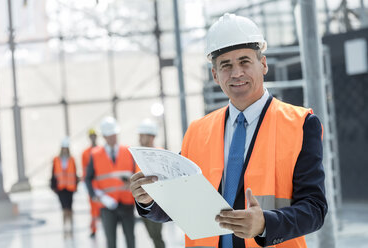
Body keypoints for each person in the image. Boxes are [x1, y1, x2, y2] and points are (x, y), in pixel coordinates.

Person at [130, 13, 327, 248]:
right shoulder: (197, 132)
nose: (236, 73)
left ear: (263, 64)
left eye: (245, 61)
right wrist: (149, 200)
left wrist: (265, 223)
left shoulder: (300, 124)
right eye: (226, 66)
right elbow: (178, 206)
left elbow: (315, 209)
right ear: (215, 75)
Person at [85, 116, 136, 248]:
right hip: (107, 205)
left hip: (127, 203)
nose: (113, 137)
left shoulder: (128, 151)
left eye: (114, 134)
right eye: (109, 135)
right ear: (104, 136)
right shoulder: (95, 154)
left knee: (131, 239)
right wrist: (96, 196)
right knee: (110, 241)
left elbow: (135, 173)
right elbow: (88, 178)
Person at [137, 119, 165, 248]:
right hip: (143, 202)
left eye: (142, 135)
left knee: (156, 236)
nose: (140, 138)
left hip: (156, 203)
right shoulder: (139, 154)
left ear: (151, 136)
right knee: (152, 236)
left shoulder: (159, 154)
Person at [50, 137, 78, 238]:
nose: (65, 150)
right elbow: (53, 173)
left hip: (70, 188)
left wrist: (76, 186)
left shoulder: (72, 159)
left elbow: (74, 173)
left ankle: (70, 226)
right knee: (64, 208)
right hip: (61, 188)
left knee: (69, 208)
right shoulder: (56, 159)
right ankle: (65, 227)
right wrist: (53, 186)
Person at [81, 128, 100, 238]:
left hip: (102, 184)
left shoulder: (101, 150)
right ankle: (93, 228)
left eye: (94, 136)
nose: (93, 138)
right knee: (93, 207)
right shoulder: (85, 153)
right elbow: (85, 171)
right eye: (91, 136)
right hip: (92, 184)